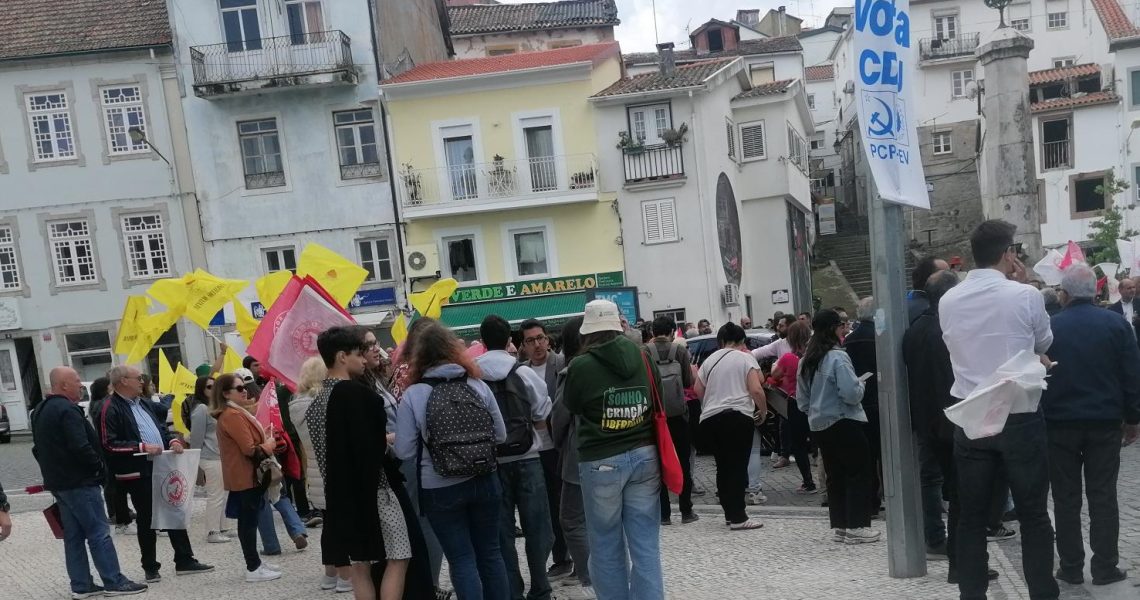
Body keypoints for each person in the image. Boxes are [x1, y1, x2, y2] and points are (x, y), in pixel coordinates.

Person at [939, 219, 1059, 600]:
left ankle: (971, 594)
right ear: (1008, 254)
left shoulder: (947, 300)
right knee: (1034, 514)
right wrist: (1024, 289)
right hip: (1018, 413)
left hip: (973, 414)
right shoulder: (1025, 296)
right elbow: (1044, 340)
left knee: (972, 517)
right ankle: (1042, 593)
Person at [395, 321, 510, 600]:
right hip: (485, 479)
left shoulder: (414, 394)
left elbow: (404, 452)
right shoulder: (477, 385)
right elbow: (501, 436)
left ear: (418, 356)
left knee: (461, 558)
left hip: (440, 486)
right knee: (491, 554)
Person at [1042, 265, 1140, 586]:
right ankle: (1105, 567)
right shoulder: (1116, 325)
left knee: (1066, 497)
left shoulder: (1050, 328)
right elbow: (1131, 375)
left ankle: (1071, 566)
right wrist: (1133, 418)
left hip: (1059, 425)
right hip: (1104, 423)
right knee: (1103, 496)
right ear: (1097, 292)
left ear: (1064, 294)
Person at [563, 300, 664, 597]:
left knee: (605, 543)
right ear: (617, 326)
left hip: (601, 460)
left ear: (588, 331)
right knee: (646, 544)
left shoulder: (580, 365)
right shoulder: (643, 355)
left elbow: (572, 405)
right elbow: (656, 399)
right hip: (645, 456)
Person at [33, 366, 148, 597]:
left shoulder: (40, 410)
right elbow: (80, 446)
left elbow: (38, 449)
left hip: (59, 483)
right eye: (76, 381)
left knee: (73, 536)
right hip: (80, 482)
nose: (79, 384)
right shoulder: (68, 410)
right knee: (99, 531)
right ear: (64, 385)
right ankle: (114, 581)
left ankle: (81, 585)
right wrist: (98, 467)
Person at [319, 326, 415, 600]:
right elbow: (372, 450)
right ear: (341, 357)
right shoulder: (359, 396)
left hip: (338, 495)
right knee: (398, 556)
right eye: (359, 354)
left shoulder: (315, 401)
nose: (365, 360)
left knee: (360, 565)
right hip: (375, 489)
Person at [99, 365, 213, 582]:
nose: (142, 381)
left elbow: (159, 428)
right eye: (138, 378)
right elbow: (108, 444)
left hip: (161, 465)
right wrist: (141, 447)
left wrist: (171, 440)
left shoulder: (143, 403)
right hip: (136, 471)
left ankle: (184, 559)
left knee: (174, 509)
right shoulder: (110, 407)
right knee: (147, 518)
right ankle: (150, 566)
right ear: (123, 381)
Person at [476, 315, 555, 600]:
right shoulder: (523, 373)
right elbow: (542, 412)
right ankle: (541, 587)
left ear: (482, 342)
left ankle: (512, 591)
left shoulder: (473, 375)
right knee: (539, 528)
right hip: (528, 457)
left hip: (491, 463)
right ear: (511, 339)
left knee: (502, 533)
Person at [797, 309, 879, 544]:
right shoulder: (837, 357)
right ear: (833, 329)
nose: (845, 329)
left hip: (819, 424)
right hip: (844, 420)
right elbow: (851, 394)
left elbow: (802, 400)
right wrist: (861, 385)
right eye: (842, 325)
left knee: (835, 474)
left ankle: (841, 525)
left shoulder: (806, 360)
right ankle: (857, 526)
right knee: (858, 471)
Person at [695, 323, 768, 530]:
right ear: (742, 341)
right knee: (737, 467)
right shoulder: (745, 357)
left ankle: (729, 512)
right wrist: (761, 412)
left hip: (710, 418)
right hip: (737, 417)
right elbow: (756, 388)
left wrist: (710, 402)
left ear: (721, 341)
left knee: (723, 467)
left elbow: (697, 388)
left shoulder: (710, 359)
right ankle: (738, 517)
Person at [289, 356, 351, 592]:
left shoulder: (296, 403)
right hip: (330, 470)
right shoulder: (321, 403)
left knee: (330, 525)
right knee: (339, 526)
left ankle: (330, 574)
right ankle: (345, 576)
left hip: (313, 471)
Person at [213, 372, 281, 583]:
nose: (245, 391)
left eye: (245, 387)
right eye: (239, 388)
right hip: (245, 476)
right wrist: (268, 446)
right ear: (226, 393)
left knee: (249, 520)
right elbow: (249, 449)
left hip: (247, 475)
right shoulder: (232, 415)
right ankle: (253, 566)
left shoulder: (236, 412)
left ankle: (256, 563)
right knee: (248, 522)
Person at [521, 318, 574, 582]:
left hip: (561, 444)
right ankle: (561, 558)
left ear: (548, 339)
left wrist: (549, 420)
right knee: (547, 507)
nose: (537, 344)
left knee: (568, 503)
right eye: (530, 340)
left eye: (540, 338)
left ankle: (577, 557)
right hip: (535, 449)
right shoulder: (519, 372)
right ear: (524, 346)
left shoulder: (563, 364)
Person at [550, 317, 594, 598]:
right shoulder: (612, 365)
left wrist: (558, 444)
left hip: (580, 455)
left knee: (572, 518)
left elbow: (559, 417)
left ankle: (591, 578)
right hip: (618, 451)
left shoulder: (573, 371)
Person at [647, 316, 697, 525]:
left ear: (652, 331)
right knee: (683, 461)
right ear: (672, 331)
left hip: (655, 417)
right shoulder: (680, 351)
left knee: (658, 463)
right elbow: (688, 381)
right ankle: (686, 511)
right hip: (678, 414)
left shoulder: (644, 352)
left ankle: (664, 514)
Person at [843, 298, 882, 517]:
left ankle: (871, 501)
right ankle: (892, 496)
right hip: (882, 401)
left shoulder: (849, 340)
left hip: (858, 403)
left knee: (867, 456)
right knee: (886, 455)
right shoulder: (881, 337)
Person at [767, 321, 816, 493]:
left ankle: (808, 482)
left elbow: (775, 375)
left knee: (799, 445)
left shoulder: (788, 358)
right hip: (817, 402)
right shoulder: (816, 355)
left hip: (796, 403)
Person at [186, 376, 235, 544]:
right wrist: (195, 461)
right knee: (216, 494)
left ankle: (224, 526)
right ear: (201, 389)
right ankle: (212, 531)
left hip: (221, 456)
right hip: (209, 456)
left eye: (215, 386)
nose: (213, 390)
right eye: (208, 387)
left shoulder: (217, 407)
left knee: (225, 493)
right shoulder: (201, 409)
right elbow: (196, 437)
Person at [1107, 277, 1140, 341]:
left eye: (1133, 287)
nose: (1132, 290)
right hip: (1122, 343)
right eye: (1129, 288)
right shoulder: (1113, 309)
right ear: (1120, 290)